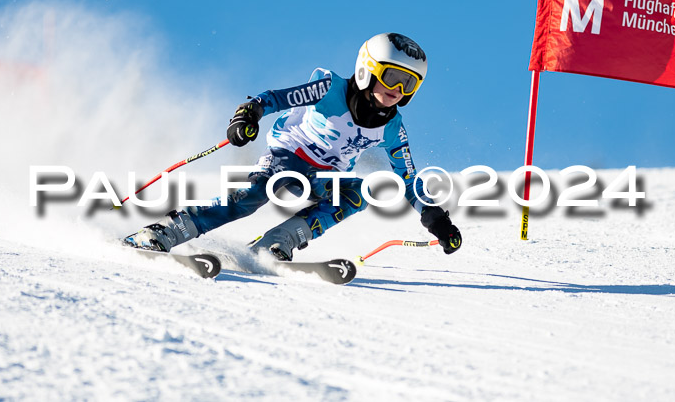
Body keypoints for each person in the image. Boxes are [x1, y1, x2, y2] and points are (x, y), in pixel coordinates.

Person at [123, 33, 462, 261]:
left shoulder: (392, 127)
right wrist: (249, 113)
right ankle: (167, 232)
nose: (398, 90)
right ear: (367, 70)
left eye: (409, 83)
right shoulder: (331, 89)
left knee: (358, 194)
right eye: (392, 77)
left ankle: (279, 240)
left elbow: (408, 179)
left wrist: (435, 219)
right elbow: (275, 99)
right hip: (289, 155)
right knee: (252, 196)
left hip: (326, 175)